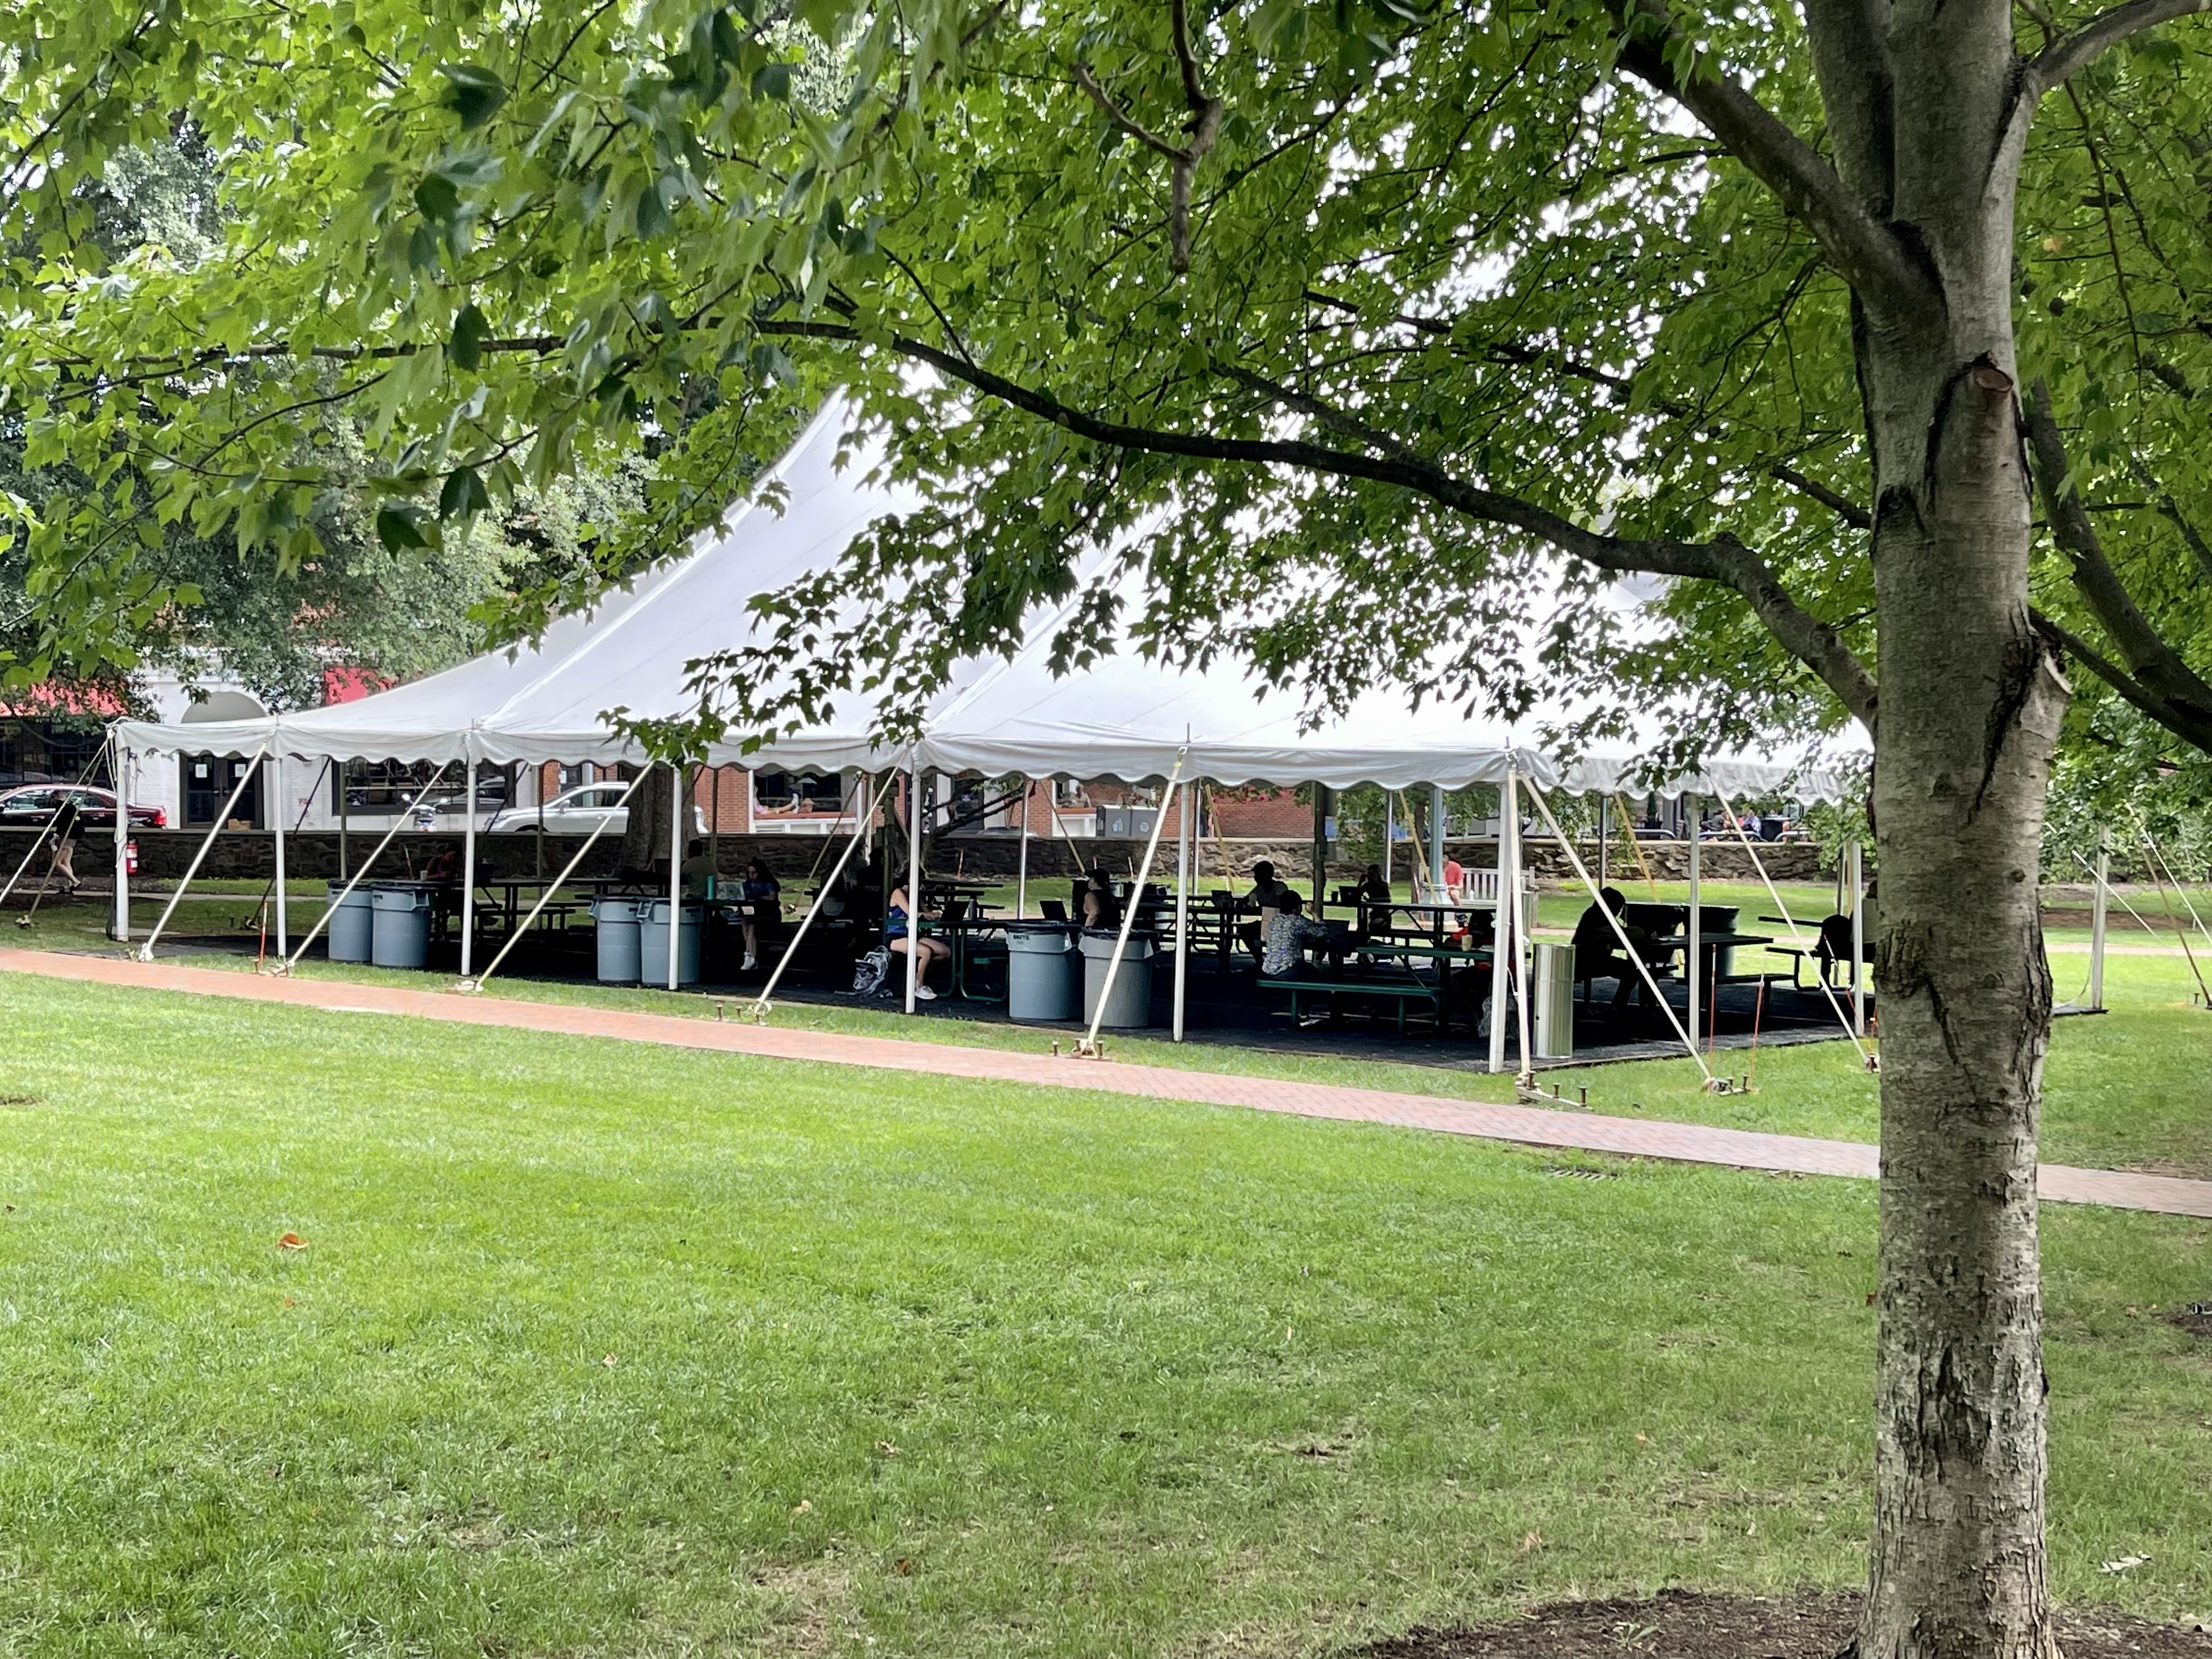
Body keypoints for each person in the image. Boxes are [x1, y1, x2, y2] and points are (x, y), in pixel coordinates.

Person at [1572, 885, 1651, 1015]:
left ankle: (1618, 1005)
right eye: (1618, 908)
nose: (1618, 912)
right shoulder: (1597, 918)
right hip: (1588, 961)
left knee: (1630, 968)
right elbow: (1618, 935)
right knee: (1631, 971)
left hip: (1592, 959)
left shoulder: (1595, 915)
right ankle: (1618, 1007)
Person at [884, 881, 950, 1000]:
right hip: (896, 936)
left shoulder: (916, 894)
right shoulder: (898, 893)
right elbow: (912, 913)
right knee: (926, 952)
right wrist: (926, 915)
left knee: (945, 952)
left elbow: (925, 912)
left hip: (913, 934)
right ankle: (919, 985)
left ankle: (918, 974)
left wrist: (933, 915)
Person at [1258, 888, 1338, 977]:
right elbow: (1322, 933)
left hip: (1268, 970)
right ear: (1298, 906)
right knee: (1316, 975)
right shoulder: (1298, 921)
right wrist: (1313, 913)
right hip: (1288, 969)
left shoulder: (1275, 919)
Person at [1237, 860, 1293, 961]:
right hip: (1266, 923)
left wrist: (1262, 908)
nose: (1255, 878)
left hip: (1281, 924)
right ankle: (1259, 959)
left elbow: (1282, 905)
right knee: (1244, 930)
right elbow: (1246, 900)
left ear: (1267, 875)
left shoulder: (1280, 887)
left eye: (1258, 875)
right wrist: (1244, 903)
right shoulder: (1259, 889)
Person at [735, 856, 780, 970]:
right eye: (749, 873)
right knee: (747, 924)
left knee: (751, 926)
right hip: (757, 915)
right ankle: (751, 955)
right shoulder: (748, 884)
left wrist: (758, 897)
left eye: (754, 873)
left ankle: (750, 955)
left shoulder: (768, 883)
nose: (751, 876)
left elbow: (773, 896)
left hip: (770, 916)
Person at [46, 790, 82, 894]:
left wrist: (56, 835)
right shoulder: (71, 806)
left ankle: (75, 881)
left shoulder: (60, 807)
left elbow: (61, 823)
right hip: (74, 836)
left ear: (55, 797)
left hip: (66, 836)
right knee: (66, 862)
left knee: (57, 863)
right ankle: (70, 886)